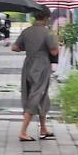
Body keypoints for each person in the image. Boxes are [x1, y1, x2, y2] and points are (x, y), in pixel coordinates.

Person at [12, 9, 59, 142]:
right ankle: (23, 131)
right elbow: (54, 52)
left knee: (41, 96)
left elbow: (15, 47)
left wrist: (29, 48)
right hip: (42, 65)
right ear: (46, 18)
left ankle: (43, 129)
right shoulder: (48, 32)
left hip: (28, 64)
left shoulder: (27, 31)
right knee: (37, 94)